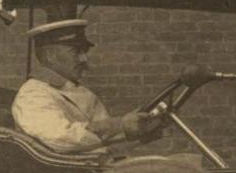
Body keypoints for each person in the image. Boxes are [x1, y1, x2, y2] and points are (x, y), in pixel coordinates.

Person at [10, 19, 162, 154]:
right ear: (50, 55)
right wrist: (120, 125)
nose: (84, 59)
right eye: (76, 51)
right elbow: (62, 139)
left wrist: (142, 133)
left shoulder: (81, 92)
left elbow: (106, 148)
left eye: (84, 51)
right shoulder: (33, 94)